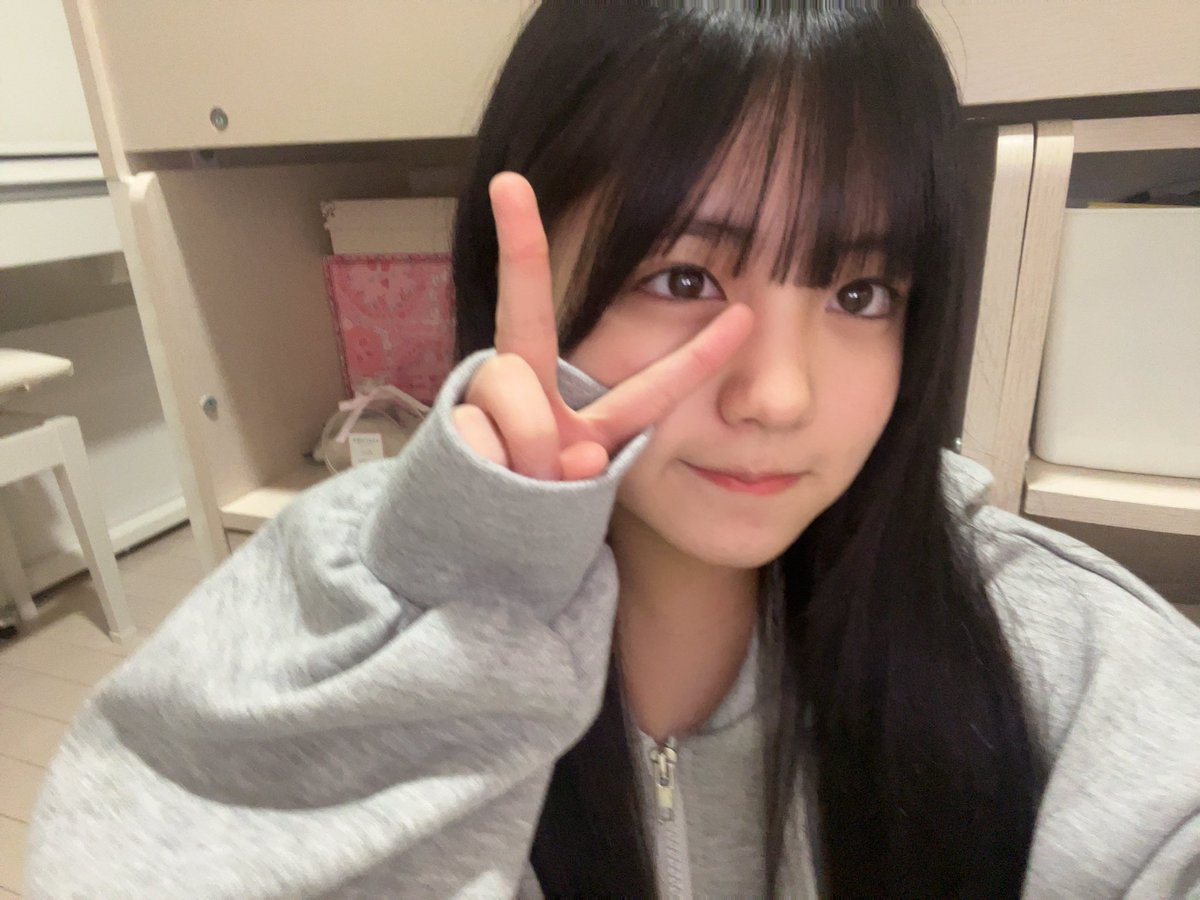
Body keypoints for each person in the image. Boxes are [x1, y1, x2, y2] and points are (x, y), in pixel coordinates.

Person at [26, 2, 1200, 897]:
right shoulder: (358, 587)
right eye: (683, 278)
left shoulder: (1041, 638)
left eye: (859, 292)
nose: (779, 396)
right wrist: (474, 599)